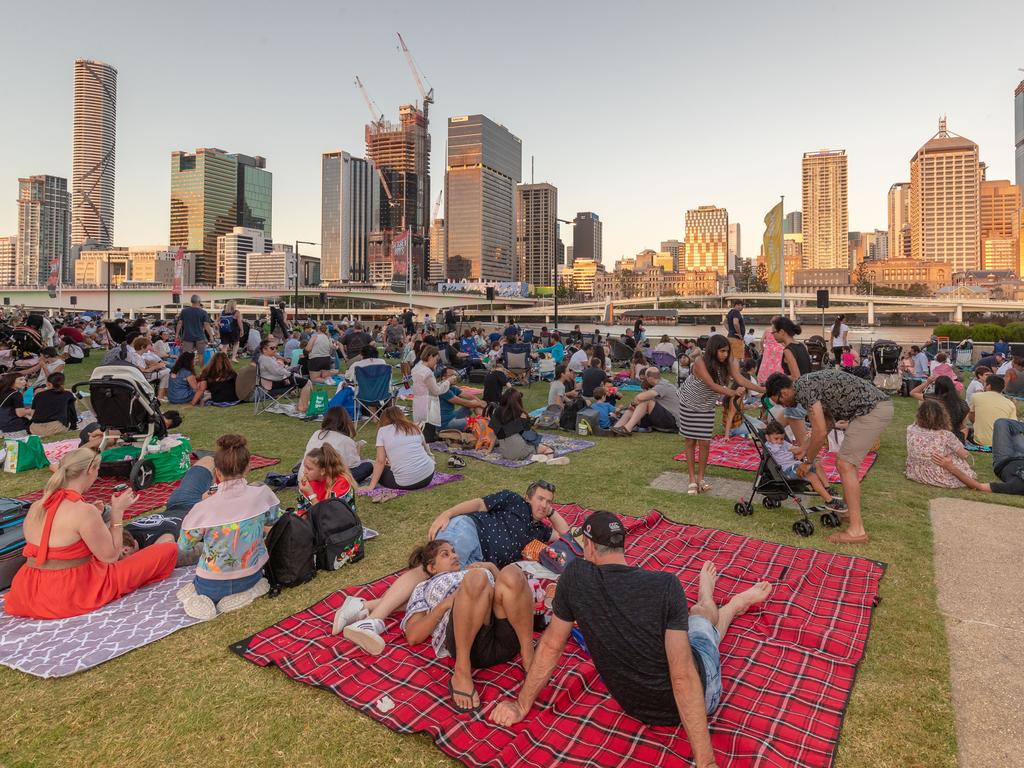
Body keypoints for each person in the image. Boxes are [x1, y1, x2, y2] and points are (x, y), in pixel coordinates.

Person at [489, 510, 772, 768]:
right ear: (623, 545)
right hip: (699, 691)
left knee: (699, 629)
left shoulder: (574, 578)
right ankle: (720, 602)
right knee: (699, 620)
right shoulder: (665, 585)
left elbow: (551, 645)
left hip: (638, 704)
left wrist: (521, 705)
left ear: (588, 547)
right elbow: (684, 675)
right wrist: (705, 762)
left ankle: (726, 604)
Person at [339, 540, 538, 712]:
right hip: (473, 644)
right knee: (476, 579)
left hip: (506, 634)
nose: (454, 555)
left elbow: (509, 591)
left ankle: (528, 656)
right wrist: (444, 604)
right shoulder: (423, 587)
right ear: (432, 568)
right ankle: (461, 672)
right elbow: (413, 635)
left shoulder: (472, 571)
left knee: (511, 572)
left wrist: (489, 567)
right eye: (445, 554)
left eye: (453, 551)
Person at [3, 447, 178, 620]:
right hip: (69, 593)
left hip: (27, 591)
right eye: (97, 471)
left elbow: (55, 542)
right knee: (168, 549)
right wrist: (117, 512)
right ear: (90, 470)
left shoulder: (37, 505)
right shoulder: (83, 511)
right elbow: (110, 556)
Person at [765, 369, 892, 544]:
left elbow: (820, 431)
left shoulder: (804, 387)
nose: (784, 406)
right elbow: (828, 422)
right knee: (848, 465)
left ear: (784, 391)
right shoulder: (807, 385)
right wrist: (805, 448)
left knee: (845, 464)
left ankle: (856, 531)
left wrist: (807, 461)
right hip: (874, 408)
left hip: (872, 410)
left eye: (780, 401)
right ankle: (848, 514)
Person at [176, 434, 281, 619]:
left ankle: (199, 599)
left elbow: (184, 545)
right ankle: (251, 591)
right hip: (251, 575)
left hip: (211, 583)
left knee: (192, 589)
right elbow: (272, 520)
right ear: (248, 467)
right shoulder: (263, 494)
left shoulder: (202, 508)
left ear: (217, 472)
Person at [676, 336, 763, 493]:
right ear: (713, 350)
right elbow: (712, 385)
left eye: (727, 351)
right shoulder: (700, 362)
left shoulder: (727, 363)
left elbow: (741, 379)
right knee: (690, 441)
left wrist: (763, 389)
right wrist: (732, 392)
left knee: (705, 442)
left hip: (707, 405)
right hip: (689, 402)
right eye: (722, 351)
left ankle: (701, 478)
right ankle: (691, 479)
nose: (725, 354)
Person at [428, 481, 568, 569]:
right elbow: (479, 504)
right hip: (470, 531)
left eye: (549, 502)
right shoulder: (514, 500)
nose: (544, 505)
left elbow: (566, 535)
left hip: (481, 561)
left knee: (452, 588)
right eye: (540, 499)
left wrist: (550, 512)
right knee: (436, 573)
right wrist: (448, 513)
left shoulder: (541, 530)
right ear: (528, 498)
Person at [763, 422, 846, 510]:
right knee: (811, 476)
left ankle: (827, 488)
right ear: (767, 437)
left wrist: (807, 453)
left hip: (796, 465)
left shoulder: (783, 443)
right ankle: (829, 501)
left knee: (816, 463)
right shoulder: (770, 446)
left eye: (782, 439)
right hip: (787, 471)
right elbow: (793, 451)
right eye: (776, 439)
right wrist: (799, 451)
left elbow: (796, 450)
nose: (779, 441)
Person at [936, 417, 1024, 495]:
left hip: (1005, 460)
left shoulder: (1018, 486)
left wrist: (951, 467)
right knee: (1008, 425)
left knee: (1001, 423)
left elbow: (979, 486)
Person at [365, 406, 436, 495]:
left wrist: (371, 486)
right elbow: (425, 449)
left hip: (406, 483)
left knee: (379, 470)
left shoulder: (382, 431)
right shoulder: (414, 427)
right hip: (429, 475)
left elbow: (380, 461)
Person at [905, 400, 975, 489]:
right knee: (956, 456)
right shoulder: (946, 435)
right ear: (943, 416)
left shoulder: (911, 428)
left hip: (914, 471)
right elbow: (964, 455)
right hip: (937, 474)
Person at [303, 406, 374, 483]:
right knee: (368, 466)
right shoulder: (346, 440)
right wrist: (357, 452)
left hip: (310, 473)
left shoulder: (317, 433)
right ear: (346, 422)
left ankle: (295, 476)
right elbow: (354, 465)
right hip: (330, 480)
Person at [491, 388, 561, 463]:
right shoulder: (520, 414)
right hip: (520, 449)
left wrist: (489, 449)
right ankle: (549, 459)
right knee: (548, 449)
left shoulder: (497, 412)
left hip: (505, 452)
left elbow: (494, 433)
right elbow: (529, 436)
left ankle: (532, 457)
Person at [612, 366, 685, 438]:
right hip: (663, 418)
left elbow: (640, 398)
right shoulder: (658, 386)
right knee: (630, 411)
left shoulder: (663, 385)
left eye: (645, 379)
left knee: (646, 401)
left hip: (673, 422)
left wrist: (635, 402)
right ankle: (614, 429)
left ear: (649, 378)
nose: (643, 381)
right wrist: (633, 405)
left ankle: (627, 429)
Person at [411, 344, 455, 443]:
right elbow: (436, 391)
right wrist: (448, 381)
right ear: (430, 356)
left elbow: (429, 386)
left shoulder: (416, 368)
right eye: (436, 359)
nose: (436, 362)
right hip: (427, 403)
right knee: (427, 435)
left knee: (419, 427)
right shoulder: (427, 372)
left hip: (418, 400)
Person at [255, 338, 312, 412]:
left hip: (274, 381)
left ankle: (302, 405)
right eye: (272, 348)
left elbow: (278, 370)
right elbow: (278, 371)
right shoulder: (266, 359)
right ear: (264, 350)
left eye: (276, 348)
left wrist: (288, 371)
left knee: (306, 382)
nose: (275, 350)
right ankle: (302, 407)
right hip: (273, 384)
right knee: (306, 382)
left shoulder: (265, 358)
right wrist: (291, 373)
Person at [910, 374, 968, 442]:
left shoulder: (932, 398)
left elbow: (913, 393)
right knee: (965, 429)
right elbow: (963, 425)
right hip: (953, 437)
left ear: (937, 387)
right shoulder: (962, 404)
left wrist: (927, 382)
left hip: (934, 434)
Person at [298, 443, 356, 509]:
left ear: (322, 471)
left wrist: (311, 494)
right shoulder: (310, 483)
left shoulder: (341, 483)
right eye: (304, 467)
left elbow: (329, 515)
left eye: (309, 469)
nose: (304, 471)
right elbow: (303, 510)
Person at [967, 374, 1017, 447]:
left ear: (989, 386)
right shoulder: (1010, 403)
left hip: (980, 441)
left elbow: (971, 417)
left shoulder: (976, 397)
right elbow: (1013, 427)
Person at [28, 372, 77, 436]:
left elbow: (32, 414)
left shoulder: (38, 395)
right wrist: (73, 426)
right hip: (56, 428)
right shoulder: (67, 394)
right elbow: (72, 412)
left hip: (35, 429)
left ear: (49, 384)